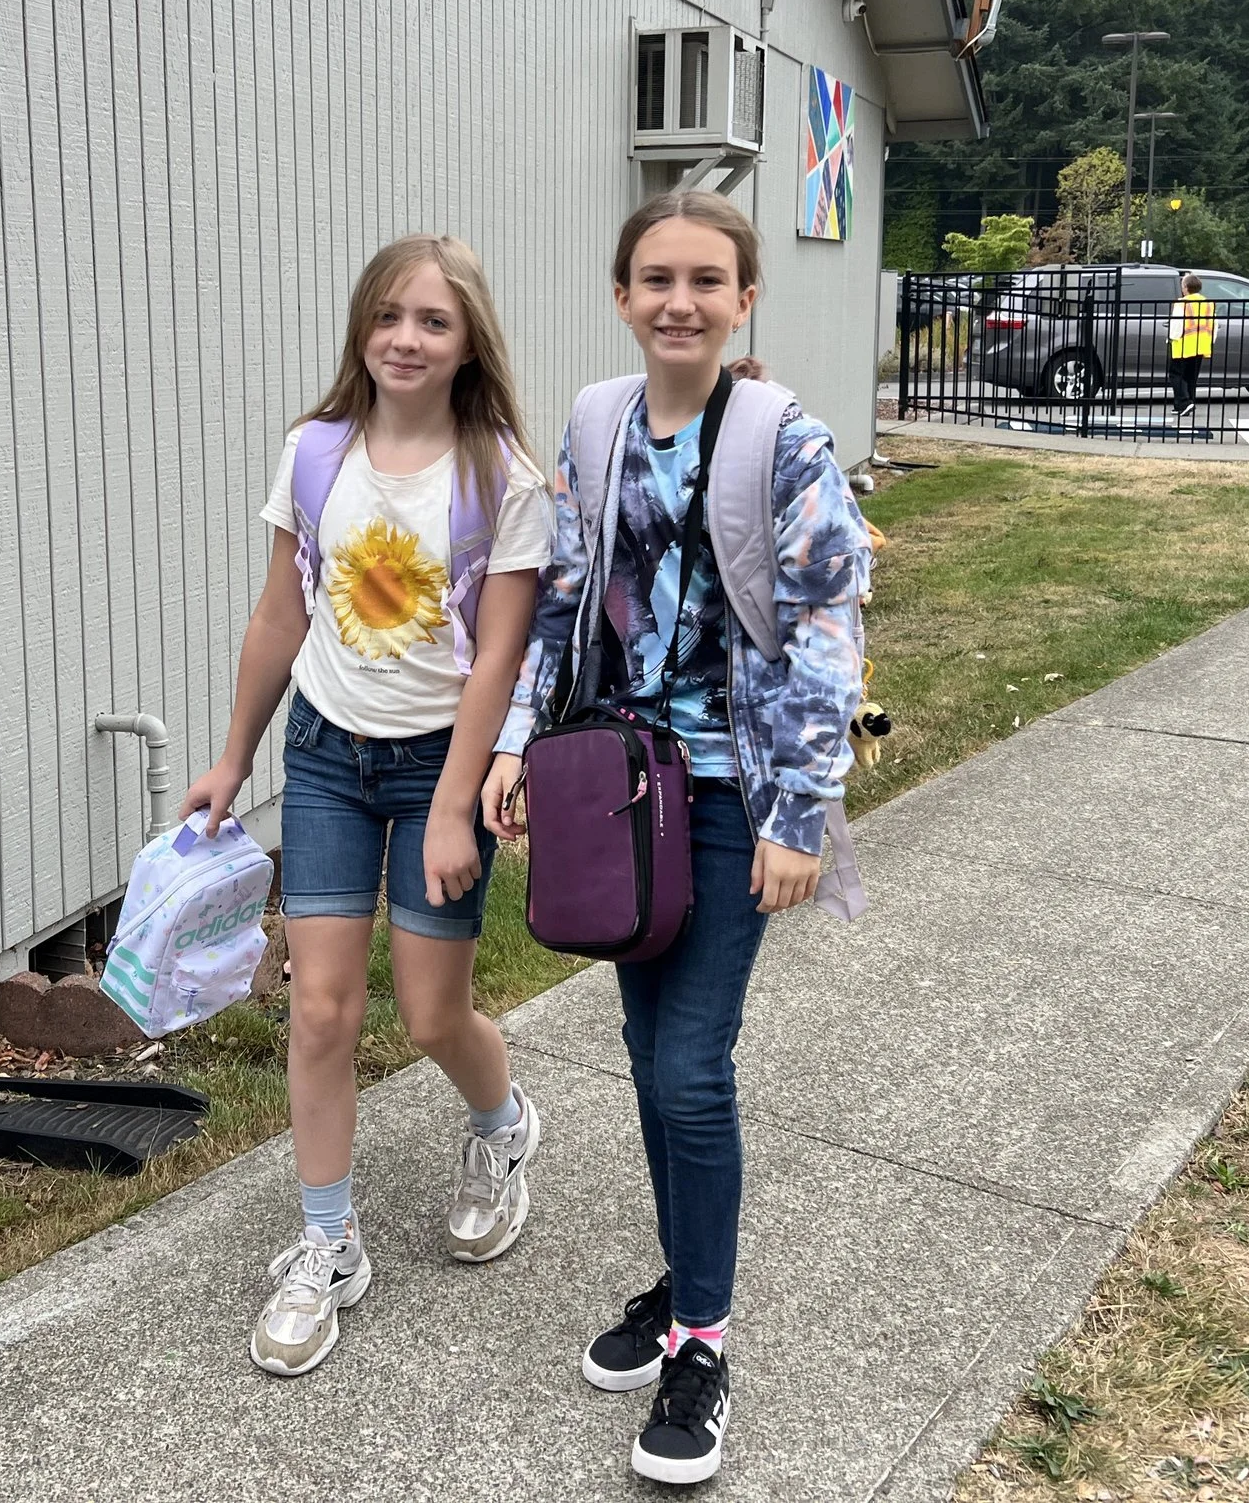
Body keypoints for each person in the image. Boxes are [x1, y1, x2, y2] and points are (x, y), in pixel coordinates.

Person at [480, 191, 871, 1486]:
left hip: (727, 795)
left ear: (745, 298)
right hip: (616, 787)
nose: (680, 301)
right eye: (657, 278)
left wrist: (798, 811)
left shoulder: (784, 439)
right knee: (651, 1059)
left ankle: (702, 1338)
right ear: (621, 295)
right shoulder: (596, 424)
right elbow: (564, 603)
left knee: (692, 1067)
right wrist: (521, 747)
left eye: (707, 279)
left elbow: (826, 623)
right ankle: (681, 1277)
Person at [180, 234, 552, 1379]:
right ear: (362, 326)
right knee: (322, 1012)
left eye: (433, 321)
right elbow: (279, 617)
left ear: (468, 341)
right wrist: (233, 759)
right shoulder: (315, 453)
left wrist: (452, 806)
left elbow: (497, 661)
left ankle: (502, 1127)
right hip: (327, 759)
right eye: (388, 315)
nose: (406, 338)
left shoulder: (503, 480)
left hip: (442, 761)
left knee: (432, 1015)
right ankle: (328, 1244)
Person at [1169, 270, 1214, 418]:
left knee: (1176, 374)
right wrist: (1210, 341)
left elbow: (1177, 325)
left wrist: (1171, 338)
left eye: (1183, 285)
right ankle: (1185, 404)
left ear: (1186, 288)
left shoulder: (1182, 303)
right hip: (1201, 345)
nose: (1182, 288)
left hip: (1183, 344)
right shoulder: (1208, 303)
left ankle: (1184, 402)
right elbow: (1213, 325)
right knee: (1191, 377)